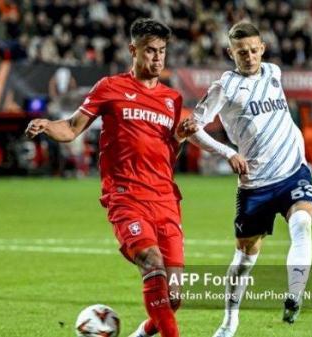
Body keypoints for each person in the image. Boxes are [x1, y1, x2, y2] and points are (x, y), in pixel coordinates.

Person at [26, 18, 197, 337]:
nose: (158, 58)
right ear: (133, 50)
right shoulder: (110, 87)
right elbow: (73, 127)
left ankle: (139, 334)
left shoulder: (172, 99)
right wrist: (48, 125)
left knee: (173, 298)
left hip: (165, 200)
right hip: (127, 197)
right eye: (150, 51)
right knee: (151, 261)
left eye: (162, 51)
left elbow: (165, 155)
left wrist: (179, 139)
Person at [187, 22, 312, 337]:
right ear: (230, 53)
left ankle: (295, 294)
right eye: (240, 51)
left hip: (293, 172)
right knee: (245, 257)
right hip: (256, 184)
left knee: (302, 224)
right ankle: (229, 322)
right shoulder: (225, 87)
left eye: (253, 50)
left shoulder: (274, 72)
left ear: (263, 49)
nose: (248, 56)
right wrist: (227, 152)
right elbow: (191, 128)